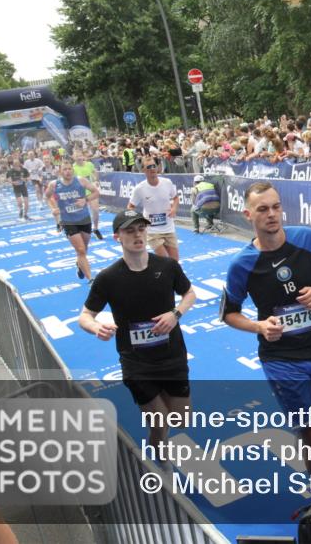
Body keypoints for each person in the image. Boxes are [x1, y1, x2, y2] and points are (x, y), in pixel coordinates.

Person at [220, 183, 311, 480]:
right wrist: (258, 326)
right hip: (281, 358)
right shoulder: (242, 264)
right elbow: (228, 313)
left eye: (276, 207)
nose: (272, 214)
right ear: (248, 214)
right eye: (263, 209)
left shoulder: (306, 238)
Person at [79, 209, 196, 457]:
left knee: (181, 420)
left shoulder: (167, 266)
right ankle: (160, 458)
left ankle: (158, 441)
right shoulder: (108, 278)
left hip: (172, 356)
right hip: (136, 363)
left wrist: (175, 315)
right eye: (129, 231)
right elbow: (85, 316)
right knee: (160, 421)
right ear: (117, 237)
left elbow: (189, 294)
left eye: (141, 229)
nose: (137, 235)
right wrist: (95, 327)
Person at [46, 160, 101, 282]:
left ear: (73, 170)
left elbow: (96, 192)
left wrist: (85, 200)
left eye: (69, 169)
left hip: (84, 219)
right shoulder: (54, 184)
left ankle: (80, 265)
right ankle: (91, 279)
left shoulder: (81, 180)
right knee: (80, 250)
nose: (67, 171)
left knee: (84, 250)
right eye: (64, 169)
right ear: (60, 171)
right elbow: (48, 196)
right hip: (68, 221)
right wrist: (54, 207)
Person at [128, 156, 180, 261]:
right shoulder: (140, 188)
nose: (152, 169)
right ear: (143, 170)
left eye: (154, 166)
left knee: (175, 261)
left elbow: (176, 198)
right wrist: (137, 221)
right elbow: (130, 207)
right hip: (152, 230)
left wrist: (174, 209)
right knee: (164, 260)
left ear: (157, 167)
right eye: (149, 167)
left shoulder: (167, 182)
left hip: (169, 227)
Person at [73, 150, 103, 238]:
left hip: (91, 191)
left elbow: (94, 172)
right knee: (81, 213)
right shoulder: (73, 168)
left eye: (80, 155)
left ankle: (96, 229)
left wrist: (96, 180)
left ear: (83, 156)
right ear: (74, 158)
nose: (79, 157)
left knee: (95, 210)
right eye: (76, 156)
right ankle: (81, 229)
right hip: (80, 193)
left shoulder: (89, 164)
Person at [5, 156, 30, 221]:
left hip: (23, 187)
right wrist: (12, 182)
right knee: (19, 202)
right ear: (13, 164)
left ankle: (25, 215)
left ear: (19, 163)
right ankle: (21, 209)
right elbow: (8, 179)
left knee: (26, 203)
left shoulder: (24, 170)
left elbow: (28, 178)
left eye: (17, 163)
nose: (16, 164)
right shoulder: (10, 171)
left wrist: (25, 179)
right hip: (16, 188)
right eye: (14, 163)